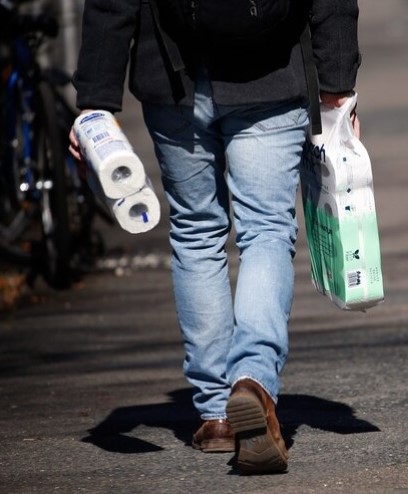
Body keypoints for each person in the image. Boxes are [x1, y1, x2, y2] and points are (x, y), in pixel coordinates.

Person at [69, 0, 360, 474]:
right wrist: (338, 83)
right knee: (266, 229)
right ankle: (252, 379)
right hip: (271, 71)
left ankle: (217, 412)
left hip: (171, 74)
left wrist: (95, 102)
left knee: (196, 231)